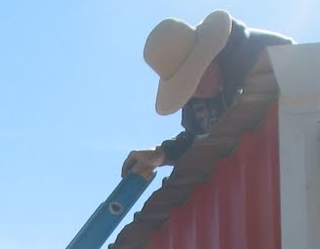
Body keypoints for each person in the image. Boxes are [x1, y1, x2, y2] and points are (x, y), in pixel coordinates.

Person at [122, 11, 294, 178]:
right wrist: (161, 154)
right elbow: (199, 139)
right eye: (187, 87)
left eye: (194, 79)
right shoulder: (197, 101)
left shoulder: (262, 56)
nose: (194, 93)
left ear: (211, 55)